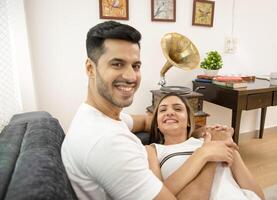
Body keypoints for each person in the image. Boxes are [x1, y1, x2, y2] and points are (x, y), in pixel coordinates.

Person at [61, 20, 237, 200]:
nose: (131, 77)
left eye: (136, 66)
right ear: (90, 68)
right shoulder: (107, 142)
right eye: (117, 64)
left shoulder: (100, 117)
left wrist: (196, 131)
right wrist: (207, 152)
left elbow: (146, 121)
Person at [146, 93, 265, 200]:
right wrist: (207, 152)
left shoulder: (208, 140)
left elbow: (258, 196)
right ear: (157, 124)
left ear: (188, 121)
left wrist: (229, 146)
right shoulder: (153, 150)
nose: (170, 112)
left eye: (178, 109)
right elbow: (158, 195)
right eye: (162, 110)